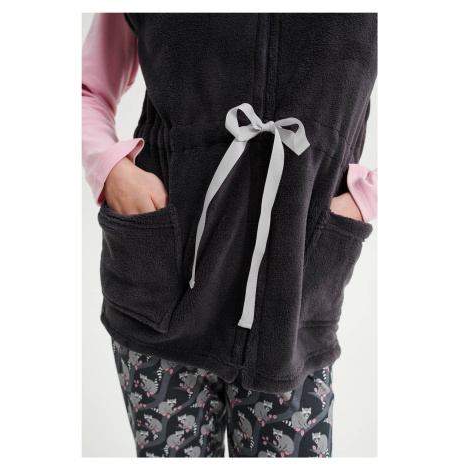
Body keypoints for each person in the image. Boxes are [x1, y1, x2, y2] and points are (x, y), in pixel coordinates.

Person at [82, 13, 377, 457]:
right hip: (159, 292)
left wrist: (365, 198)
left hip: (294, 310)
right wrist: (112, 170)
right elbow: (86, 89)